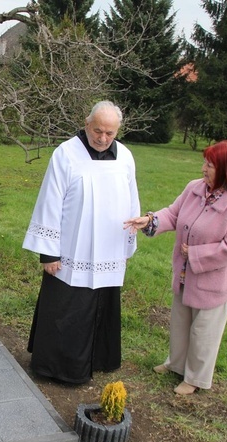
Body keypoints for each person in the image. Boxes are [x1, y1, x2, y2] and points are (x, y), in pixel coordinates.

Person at [22, 101, 140, 384]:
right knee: (67, 309)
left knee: (102, 305)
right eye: (97, 130)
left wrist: (126, 244)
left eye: (109, 133)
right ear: (87, 124)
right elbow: (50, 201)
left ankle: (99, 359)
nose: (102, 138)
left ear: (117, 131)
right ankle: (58, 367)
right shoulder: (66, 153)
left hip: (108, 250)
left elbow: (131, 197)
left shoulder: (124, 156)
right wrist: (48, 253)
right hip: (71, 250)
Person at [123, 140, 227, 395]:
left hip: (216, 282)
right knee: (181, 322)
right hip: (186, 275)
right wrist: (149, 220)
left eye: (210, 165)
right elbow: (173, 214)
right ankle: (175, 364)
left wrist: (196, 253)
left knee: (204, 331)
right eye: (205, 162)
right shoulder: (195, 188)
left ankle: (195, 378)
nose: (204, 169)